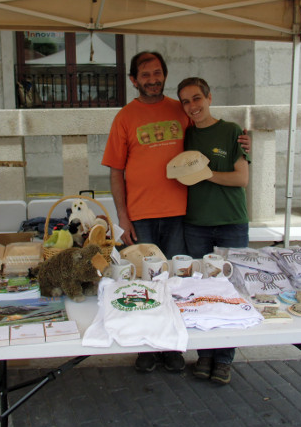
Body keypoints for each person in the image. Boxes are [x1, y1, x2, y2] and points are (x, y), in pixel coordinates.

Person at [102, 52, 250, 375]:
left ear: (164, 76)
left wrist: (241, 142)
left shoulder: (180, 111)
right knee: (143, 283)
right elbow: (115, 173)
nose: (152, 79)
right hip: (140, 217)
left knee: (175, 284)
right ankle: (145, 347)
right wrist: (122, 218)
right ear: (133, 80)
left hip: (180, 214)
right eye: (145, 74)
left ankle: (171, 348)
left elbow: (209, 132)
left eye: (157, 73)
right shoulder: (124, 118)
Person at [177, 76, 249, 386]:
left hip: (231, 221)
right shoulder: (186, 136)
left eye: (196, 98)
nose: (192, 106)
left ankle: (224, 358)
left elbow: (241, 179)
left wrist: (205, 174)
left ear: (209, 97)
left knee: (229, 291)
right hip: (196, 224)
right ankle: (204, 354)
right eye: (185, 101)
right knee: (201, 290)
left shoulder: (232, 131)